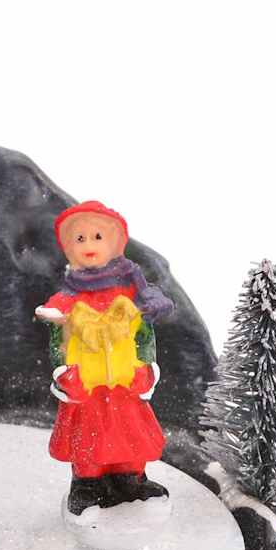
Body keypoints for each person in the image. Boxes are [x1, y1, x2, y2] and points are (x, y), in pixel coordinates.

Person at [35, 200, 174, 516]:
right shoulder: (65, 302)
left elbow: (143, 335)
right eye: (79, 238)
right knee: (88, 439)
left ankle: (131, 478)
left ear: (114, 243)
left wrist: (146, 367)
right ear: (69, 248)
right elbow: (58, 341)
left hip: (125, 385)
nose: (88, 245)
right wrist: (63, 372)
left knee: (129, 435)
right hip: (87, 387)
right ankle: (88, 483)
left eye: (97, 237)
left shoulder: (134, 295)